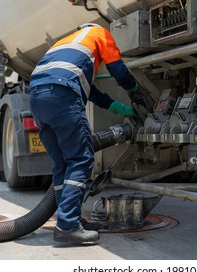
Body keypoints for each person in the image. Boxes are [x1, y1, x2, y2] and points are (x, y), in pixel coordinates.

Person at [29, 23, 151, 244]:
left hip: (37, 97)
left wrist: (119, 108)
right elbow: (118, 69)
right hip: (61, 94)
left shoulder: (65, 43)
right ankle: (67, 227)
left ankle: (69, 219)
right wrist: (134, 91)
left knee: (62, 165)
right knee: (81, 159)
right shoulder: (99, 33)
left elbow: (90, 90)